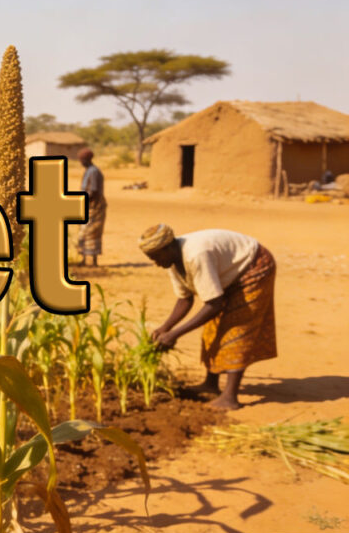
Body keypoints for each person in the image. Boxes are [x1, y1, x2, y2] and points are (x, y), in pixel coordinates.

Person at [138, 224, 277, 410]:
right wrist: (165, 328)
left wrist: (175, 334)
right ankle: (210, 385)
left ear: (168, 248)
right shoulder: (172, 261)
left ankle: (230, 397)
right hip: (228, 274)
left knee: (236, 328)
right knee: (212, 327)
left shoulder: (196, 254)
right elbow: (185, 299)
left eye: (156, 257)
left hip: (253, 267)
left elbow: (214, 304)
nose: (155, 263)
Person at [76, 148, 106, 266]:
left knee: (92, 232)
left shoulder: (93, 172)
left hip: (95, 206)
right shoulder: (88, 170)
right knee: (83, 232)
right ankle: (84, 259)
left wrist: (83, 200)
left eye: (82, 160)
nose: (81, 162)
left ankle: (93, 261)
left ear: (87, 159)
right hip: (88, 205)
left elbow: (93, 191)